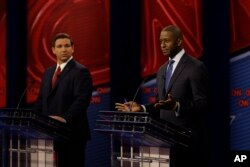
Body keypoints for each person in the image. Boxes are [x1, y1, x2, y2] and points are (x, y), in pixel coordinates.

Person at [115, 25, 210, 167]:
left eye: (167, 41)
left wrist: (177, 106)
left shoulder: (195, 67)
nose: (162, 45)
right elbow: (160, 104)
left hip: (188, 143)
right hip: (163, 142)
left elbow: (204, 104)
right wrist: (141, 108)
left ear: (179, 41)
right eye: (160, 41)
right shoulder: (161, 70)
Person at [34, 33, 93, 167]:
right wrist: (35, 120)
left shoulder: (80, 71)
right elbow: (41, 99)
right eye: (59, 46)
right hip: (49, 133)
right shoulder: (48, 72)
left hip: (71, 134)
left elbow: (82, 100)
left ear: (73, 48)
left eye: (67, 46)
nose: (64, 49)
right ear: (53, 50)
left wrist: (65, 118)